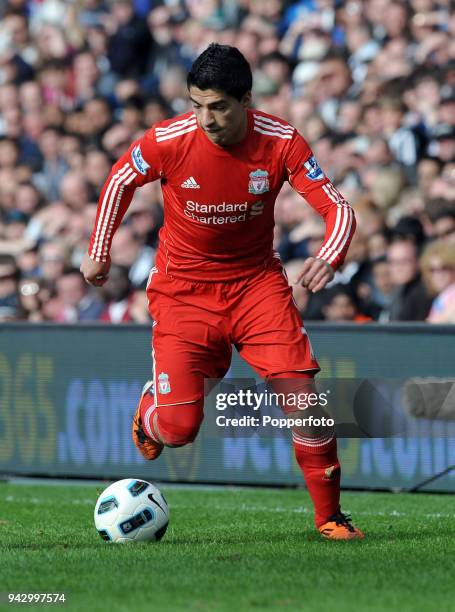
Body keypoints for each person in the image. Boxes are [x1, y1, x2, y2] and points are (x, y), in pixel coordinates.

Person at [80, 44, 362, 540]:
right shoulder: (170, 138)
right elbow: (121, 177)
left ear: (246, 100)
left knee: (306, 402)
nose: (206, 119)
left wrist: (329, 255)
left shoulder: (281, 141)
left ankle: (330, 518)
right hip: (183, 293)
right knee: (178, 430)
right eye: (197, 105)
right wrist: (99, 249)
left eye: (219, 107)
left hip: (257, 288)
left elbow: (339, 209)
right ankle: (152, 412)